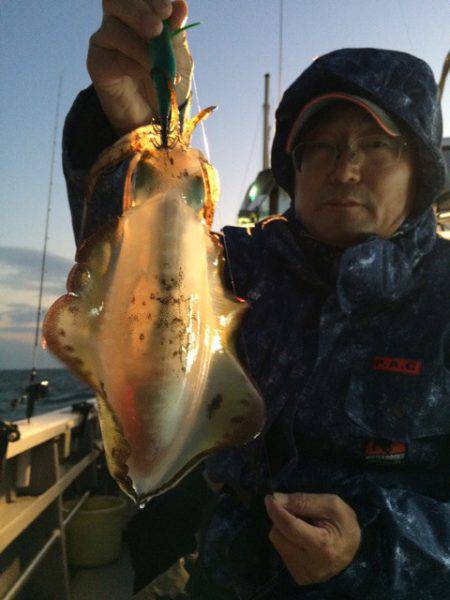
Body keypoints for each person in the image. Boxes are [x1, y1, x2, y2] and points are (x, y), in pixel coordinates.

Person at [63, 1, 449, 597]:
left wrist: (373, 548)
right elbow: (131, 272)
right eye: (318, 147)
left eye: (376, 144)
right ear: (292, 169)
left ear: (420, 169)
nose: (344, 168)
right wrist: (129, 131)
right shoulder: (236, 266)